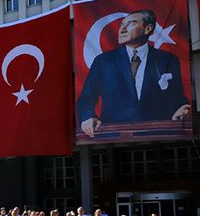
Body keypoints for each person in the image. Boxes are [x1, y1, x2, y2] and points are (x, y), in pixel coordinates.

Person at [77, 9, 190, 138]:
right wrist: (88, 117)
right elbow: (86, 98)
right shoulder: (103, 62)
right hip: (113, 137)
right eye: (121, 25)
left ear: (148, 29)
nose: (122, 29)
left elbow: (177, 97)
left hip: (158, 134)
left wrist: (179, 111)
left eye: (131, 24)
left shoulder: (167, 59)